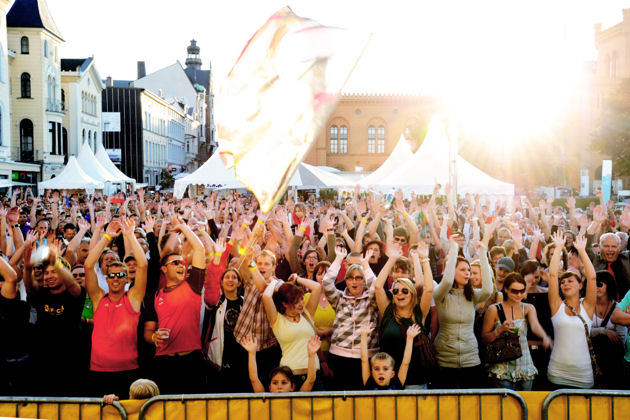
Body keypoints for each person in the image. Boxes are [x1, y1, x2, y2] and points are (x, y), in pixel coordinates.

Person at [143, 215, 207, 394]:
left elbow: (200, 250)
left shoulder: (193, 285)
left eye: (183, 263)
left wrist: (184, 227)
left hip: (191, 362)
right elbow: (148, 331)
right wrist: (154, 337)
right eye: (175, 263)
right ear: (163, 269)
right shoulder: (156, 296)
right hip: (163, 363)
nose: (181, 266)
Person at [85, 218, 147, 399]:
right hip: (98, 370)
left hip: (129, 370)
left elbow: (142, 265)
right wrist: (106, 237)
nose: (116, 278)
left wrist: (130, 236)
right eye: (111, 275)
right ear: (107, 277)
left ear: (127, 278)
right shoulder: (98, 298)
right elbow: (89, 265)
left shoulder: (133, 298)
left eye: (121, 275)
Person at [432, 238, 492, 388]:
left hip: (470, 357)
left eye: (469, 270)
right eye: (463, 270)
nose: (468, 274)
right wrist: (453, 252)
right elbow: (446, 282)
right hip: (445, 358)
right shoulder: (441, 295)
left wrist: (483, 254)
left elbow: (488, 290)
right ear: (452, 271)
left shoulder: (472, 296)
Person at [374, 241, 434, 388]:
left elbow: (428, 290)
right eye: (396, 291)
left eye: (405, 290)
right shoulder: (388, 312)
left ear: (412, 294)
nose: (399, 293)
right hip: (389, 383)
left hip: (416, 381)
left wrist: (425, 259)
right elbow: (377, 286)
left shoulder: (419, 313)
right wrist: (392, 258)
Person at [482, 273, 552, 390]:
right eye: (514, 291)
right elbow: (484, 338)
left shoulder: (528, 308)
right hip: (502, 366)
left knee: (526, 403)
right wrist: (499, 330)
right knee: (506, 406)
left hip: (524, 364)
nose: (519, 294)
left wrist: (545, 337)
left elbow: (535, 326)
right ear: (506, 289)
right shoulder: (494, 310)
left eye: (522, 291)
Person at [322, 246, 378, 390]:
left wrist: (365, 265)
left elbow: (376, 287)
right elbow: (326, 283)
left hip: (366, 358)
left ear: (364, 281)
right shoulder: (339, 298)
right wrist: (338, 259)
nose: (354, 282)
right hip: (339, 357)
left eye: (359, 278)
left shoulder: (371, 300)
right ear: (346, 280)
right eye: (350, 278)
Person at [547, 232, 597, 389]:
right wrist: (559, 248)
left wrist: (582, 251)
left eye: (570, 281)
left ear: (580, 285)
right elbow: (553, 274)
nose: (565, 284)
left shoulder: (587, 307)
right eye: (563, 282)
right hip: (557, 373)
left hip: (583, 376)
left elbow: (593, 277)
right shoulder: (557, 306)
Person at [262, 273, 322, 390]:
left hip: (313, 374)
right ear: (284, 304)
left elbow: (317, 287)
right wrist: (275, 282)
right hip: (289, 376)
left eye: (301, 299)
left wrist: (297, 278)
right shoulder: (277, 319)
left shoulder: (307, 314)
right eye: (295, 302)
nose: (301, 304)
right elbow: (266, 297)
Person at [241, 335, 321, 393]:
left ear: (292, 387)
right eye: (275, 383)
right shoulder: (265, 401)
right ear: (270, 387)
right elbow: (254, 379)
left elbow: (310, 380)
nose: (279, 387)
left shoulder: (297, 400)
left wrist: (312, 355)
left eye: (284, 383)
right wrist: (251, 353)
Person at [590, 270, 627, 389]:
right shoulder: (584, 305)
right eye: (593, 284)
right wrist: (604, 331)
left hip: (611, 363)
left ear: (609, 285)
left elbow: (621, 339)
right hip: (587, 359)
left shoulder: (617, 308)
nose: (596, 287)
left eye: (599, 284)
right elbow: (579, 331)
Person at [360, 323, 420, 390]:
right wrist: (363, 336)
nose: (381, 372)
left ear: (392, 374)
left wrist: (410, 338)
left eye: (385, 369)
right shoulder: (369, 384)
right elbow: (364, 360)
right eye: (376, 369)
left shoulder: (396, 384)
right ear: (372, 373)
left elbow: (405, 362)